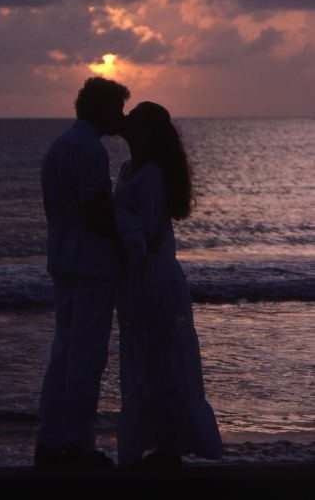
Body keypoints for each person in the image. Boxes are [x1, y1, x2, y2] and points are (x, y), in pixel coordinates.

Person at [114, 101, 223, 469]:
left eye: (134, 120)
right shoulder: (127, 169)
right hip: (136, 278)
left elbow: (143, 233)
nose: (126, 123)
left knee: (165, 362)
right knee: (142, 363)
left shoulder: (154, 175)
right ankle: (154, 445)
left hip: (156, 279)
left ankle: (169, 447)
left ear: (147, 132)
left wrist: (110, 217)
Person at [34, 76, 130, 471]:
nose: (121, 117)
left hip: (63, 261)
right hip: (90, 266)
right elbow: (95, 212)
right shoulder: (90, 151)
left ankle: (51, 440)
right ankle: (76, 444)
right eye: (117, 109)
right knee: (87, 358)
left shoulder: (59, 146)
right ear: (101, 109)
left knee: (63, 353)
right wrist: (128, 239)